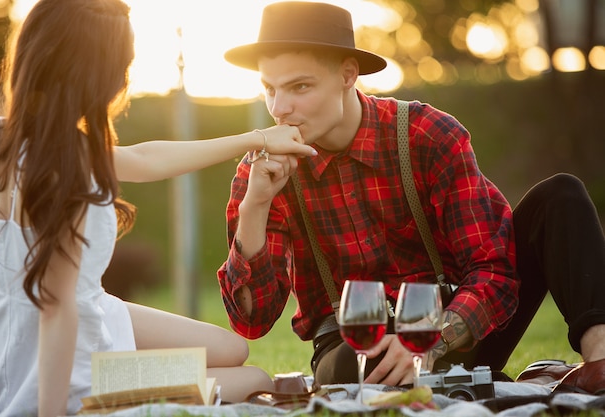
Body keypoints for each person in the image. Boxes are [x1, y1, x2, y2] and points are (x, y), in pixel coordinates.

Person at [217, 0, 605, 396]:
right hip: (352, 348)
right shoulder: (262, 172)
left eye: (300, 86)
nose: (280, 109)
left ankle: (600, 364)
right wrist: (255, 206)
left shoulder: (427, 134)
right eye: (270, 89)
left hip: (455, 331)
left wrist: (431, 339)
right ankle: (504, 385)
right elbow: (254, 320)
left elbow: (495, 270)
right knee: (357, 372)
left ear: (348, 76)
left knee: (561, 195)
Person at [0, 0, 317, 416]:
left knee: (230, 347)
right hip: (70, 372)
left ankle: (128, 376)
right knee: (255, 381)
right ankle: (118, 388)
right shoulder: (67, 176)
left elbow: (144, 160)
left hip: (18, 342)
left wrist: (258, 137)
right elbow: (57, 308)